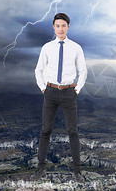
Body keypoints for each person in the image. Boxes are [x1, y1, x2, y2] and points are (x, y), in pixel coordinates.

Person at [31, 13, 87, 183]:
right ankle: (40, 169)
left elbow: (83, 71)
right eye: (58, 26)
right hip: (50, 92)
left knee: (73, 131)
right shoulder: (47, 47)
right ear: (53, 27)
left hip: (69, 93)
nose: (61, 29)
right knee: (45, 130)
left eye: (64, 25)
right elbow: (38, 70)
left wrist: (76, 89)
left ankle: (77, 172)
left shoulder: (76, 48)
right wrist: (43, 88)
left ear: (68, 27)